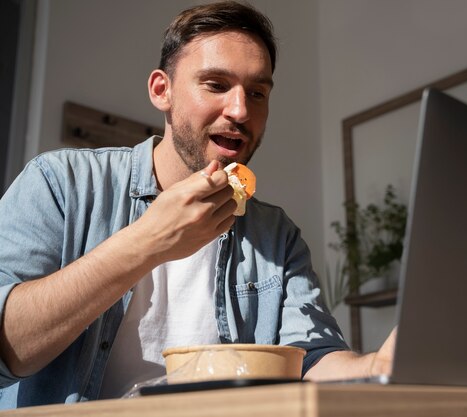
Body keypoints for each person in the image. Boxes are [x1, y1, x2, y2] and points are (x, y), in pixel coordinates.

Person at [0, 1, 394, 408]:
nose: (241, 110)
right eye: (216, 85)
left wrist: (376, 366)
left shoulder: (276, 235)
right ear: (161, 90)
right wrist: (148, 241)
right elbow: (7, 347)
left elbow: (310, 359)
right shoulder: (61, 182)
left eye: (257, 92)